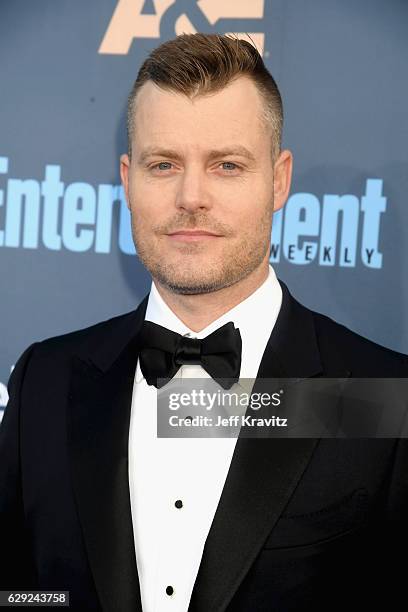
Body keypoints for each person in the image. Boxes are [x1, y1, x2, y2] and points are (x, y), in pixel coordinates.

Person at [1, 33, 407, 612]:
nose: (191, 197)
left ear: (279, 180)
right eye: (163, 164)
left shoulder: (380, 397)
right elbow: (20, 592)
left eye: (227, 165)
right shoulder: (46, 379)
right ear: (127, 178)